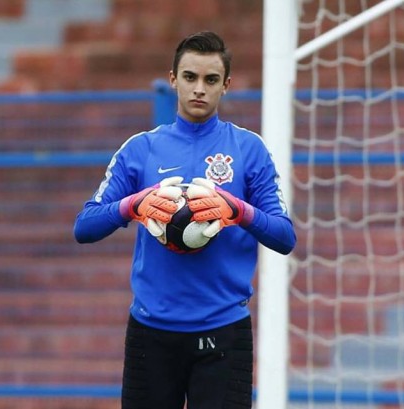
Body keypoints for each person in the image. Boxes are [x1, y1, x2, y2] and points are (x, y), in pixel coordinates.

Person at [74, 31, 296, 409]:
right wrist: (134, 205)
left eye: (211, 80)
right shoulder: (140, 149)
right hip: (151, 333)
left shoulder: (249, 150)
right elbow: (84, 226)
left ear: (225, 86)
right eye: (190, 77)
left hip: (224, 335)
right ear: (173, 78)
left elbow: (284, 236)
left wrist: (237, 210)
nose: (199, 89)